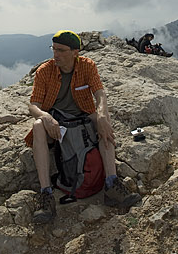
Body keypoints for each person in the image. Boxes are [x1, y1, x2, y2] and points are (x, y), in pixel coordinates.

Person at [25, 30, 142, 223]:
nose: (56, 54)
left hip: (82, 116)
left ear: (75, 52)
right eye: (53, 49)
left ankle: (111, 184)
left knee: (103, 121)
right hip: (55, 121)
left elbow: (100, 93)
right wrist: (45, 117)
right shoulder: (44, 71)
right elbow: (33, 105)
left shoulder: (87, 66)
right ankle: (46, 194)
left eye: (61, 50)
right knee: (38, 126)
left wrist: (102, 114)